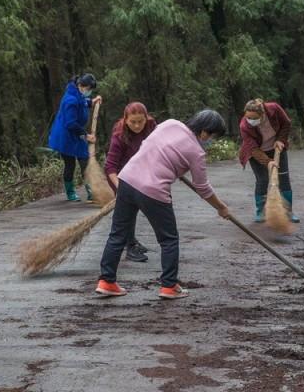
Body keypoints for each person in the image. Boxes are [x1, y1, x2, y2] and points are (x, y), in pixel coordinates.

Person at [95, 110, 231, 299]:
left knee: (118, 234)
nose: (210, 140)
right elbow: (203, 188)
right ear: (205, 132)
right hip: (153, 191)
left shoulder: (170, 123)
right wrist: (221, 207)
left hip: (126, 179)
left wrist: (173, 164)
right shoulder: (197, 152)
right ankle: (169, 286)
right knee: (169, 239)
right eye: (212, 136)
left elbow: (149, 145)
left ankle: (107, 281)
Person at [104, 102, 157, 263]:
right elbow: (110, 167)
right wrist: (121, 188)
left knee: (139, 208)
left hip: (142, 173)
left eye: (140, 121)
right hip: (121, 176)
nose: (137, 125)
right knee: (127, 212)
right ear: (125, 119)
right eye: (132, 122)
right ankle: (130, 247)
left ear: (146, 118)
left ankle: (132, 241)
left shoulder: (152, 126)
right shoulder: (119, 136)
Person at [238, 99, 299, 224]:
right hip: (257, 152)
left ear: (263, 114)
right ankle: (261, 211)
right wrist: (268, 162)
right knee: (263, 180)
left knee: (283, 179)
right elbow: (253, 148)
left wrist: (281, 139)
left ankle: (288, 212)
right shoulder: (245, 125)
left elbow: (286, 123)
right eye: (248, 117)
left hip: (276, 147)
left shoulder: (274, 109)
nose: (250, 120)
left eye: (254, 118)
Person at [47, 73, 102, 202]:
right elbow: (70, 123)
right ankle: (70, 192)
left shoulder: (78, 93)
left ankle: (91, 192)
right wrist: (86, 135)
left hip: (76, 133)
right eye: (88, 89)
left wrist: (92, 102)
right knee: (70, 164)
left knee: (85, 160)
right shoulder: (70, 100)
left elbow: (82, 102)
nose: (89, 92)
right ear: (81, 85)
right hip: (65, 136)